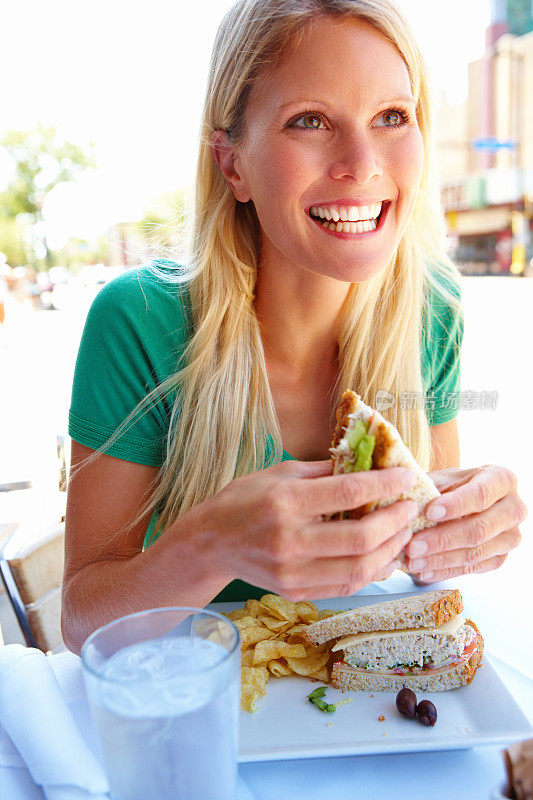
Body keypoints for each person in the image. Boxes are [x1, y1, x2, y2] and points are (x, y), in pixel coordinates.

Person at [61, 0, 526, 655]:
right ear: (232, 164)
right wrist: (211, 542)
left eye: (392, 116)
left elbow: (421, 571)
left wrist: (462, 529)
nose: (361, 163)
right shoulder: (139, 320)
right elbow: (83, 624)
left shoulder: (433, 310)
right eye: (309, 121)